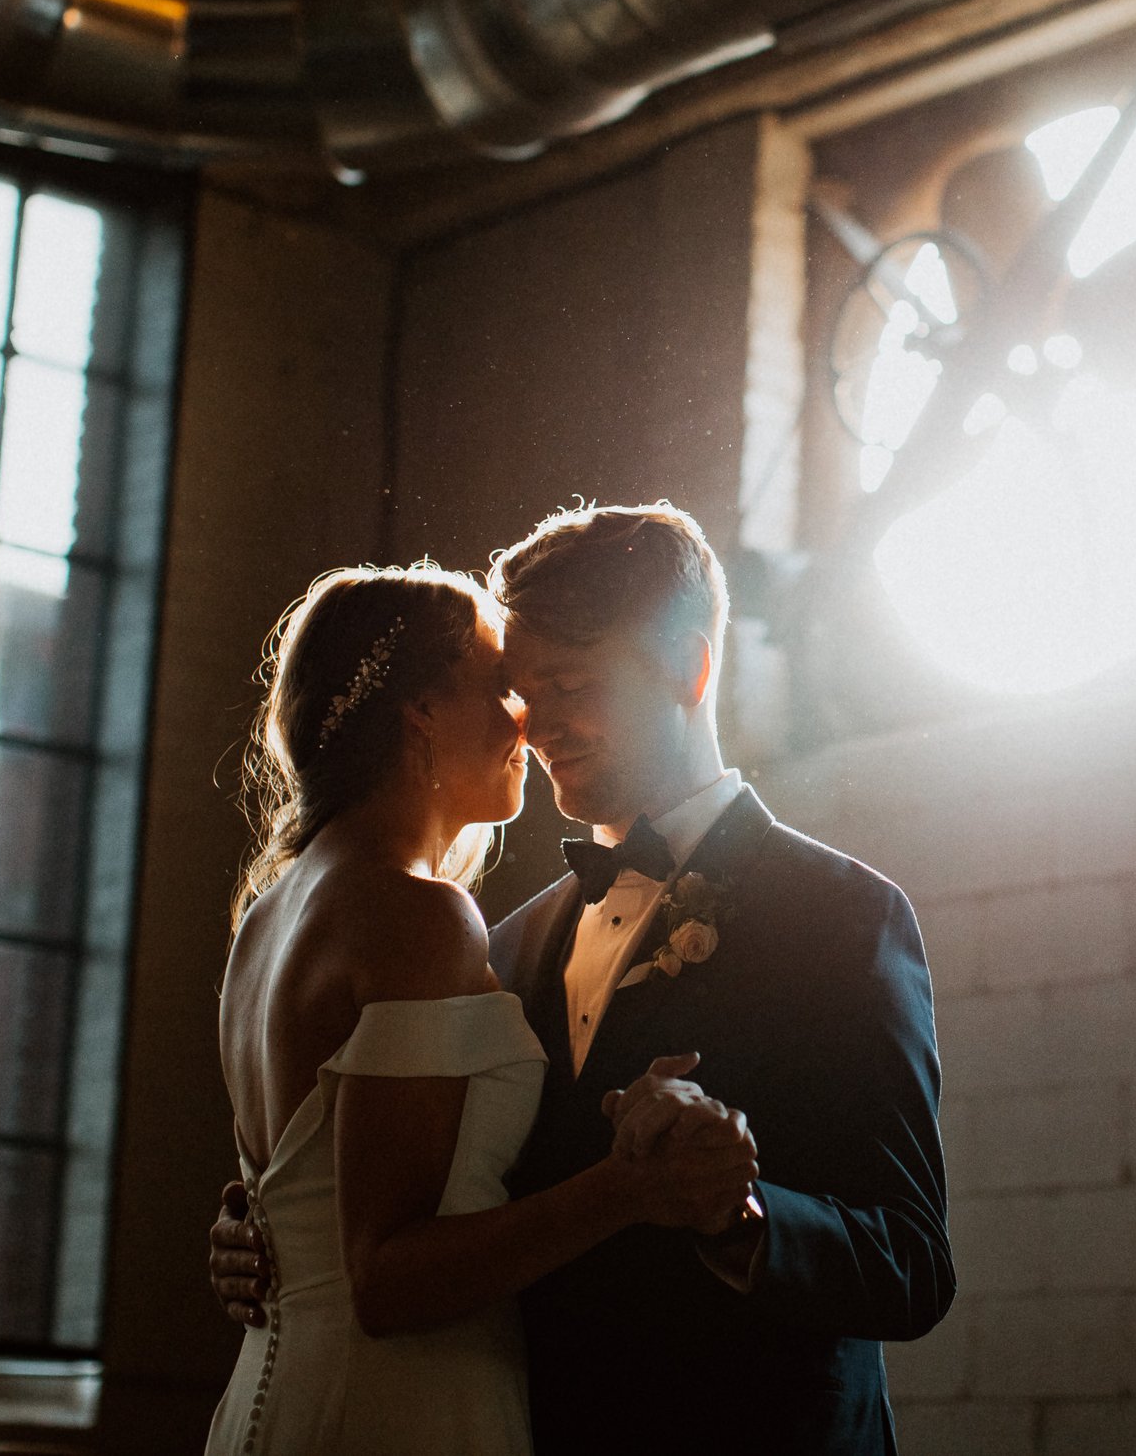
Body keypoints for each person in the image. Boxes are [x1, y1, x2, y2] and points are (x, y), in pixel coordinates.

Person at [215, 503, 954, 1454]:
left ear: (688, 667)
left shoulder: (844, 916)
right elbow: (421, 1208)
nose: (535, 725)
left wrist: (740, 1213)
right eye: (521, 692)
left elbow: (913, 1261)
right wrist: (265, 1236)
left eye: (569, 684)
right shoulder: (507, 947)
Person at [206, 563, 758, 1456]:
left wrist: (245, 1237)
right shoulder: (415, 912)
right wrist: (628, 1186)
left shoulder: (270, 914)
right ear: (419, 709)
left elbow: (305, 1209)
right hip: (398, 1411)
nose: (528, 722)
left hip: (275, 1394)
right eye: (504, 690)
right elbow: (385, 1280)